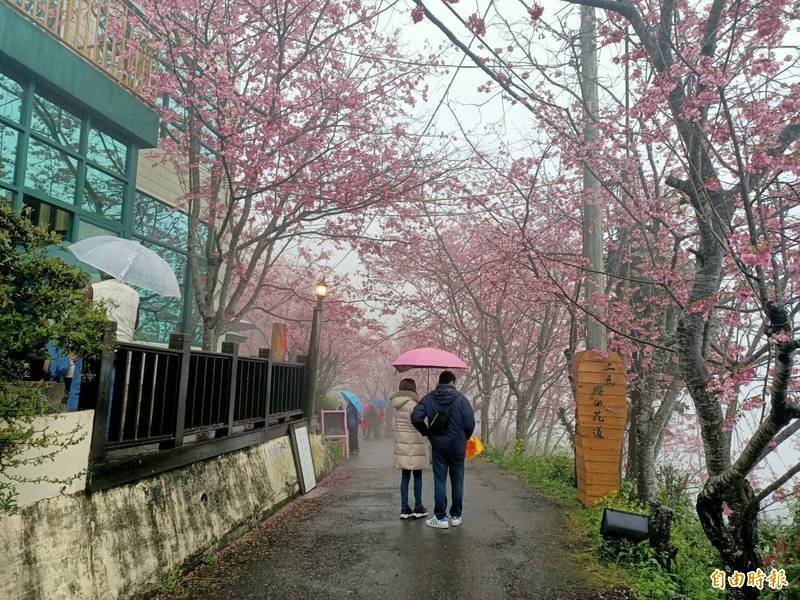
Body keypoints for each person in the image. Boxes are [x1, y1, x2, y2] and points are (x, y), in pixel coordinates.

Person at [411, 370, 475, 529]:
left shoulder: (429, 398)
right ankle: (456, 516)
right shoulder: (461, 399)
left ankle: (440, 518)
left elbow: (415, 417)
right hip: (458, 447)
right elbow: (470, 423)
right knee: (457, 480)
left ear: (440, 382)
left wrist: (426, 431)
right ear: (452, 382)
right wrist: (463, 438)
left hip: (439, 446)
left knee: (440, 481)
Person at [390, 378, 428, 520]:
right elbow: (417, 423)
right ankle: (418, 506)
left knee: (405, 476)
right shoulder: (413, 405)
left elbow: (394, 426)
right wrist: (426, 430)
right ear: (413, 389)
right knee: (417, 475)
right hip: (415, 443)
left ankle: (404, 508)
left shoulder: (397, 406)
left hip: (402, 444)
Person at [87, 273, 140, 343]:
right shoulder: (135, 295)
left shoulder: (93, 288)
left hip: (96, 345)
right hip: (125, 348)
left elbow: (81, 317)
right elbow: (135, 325)